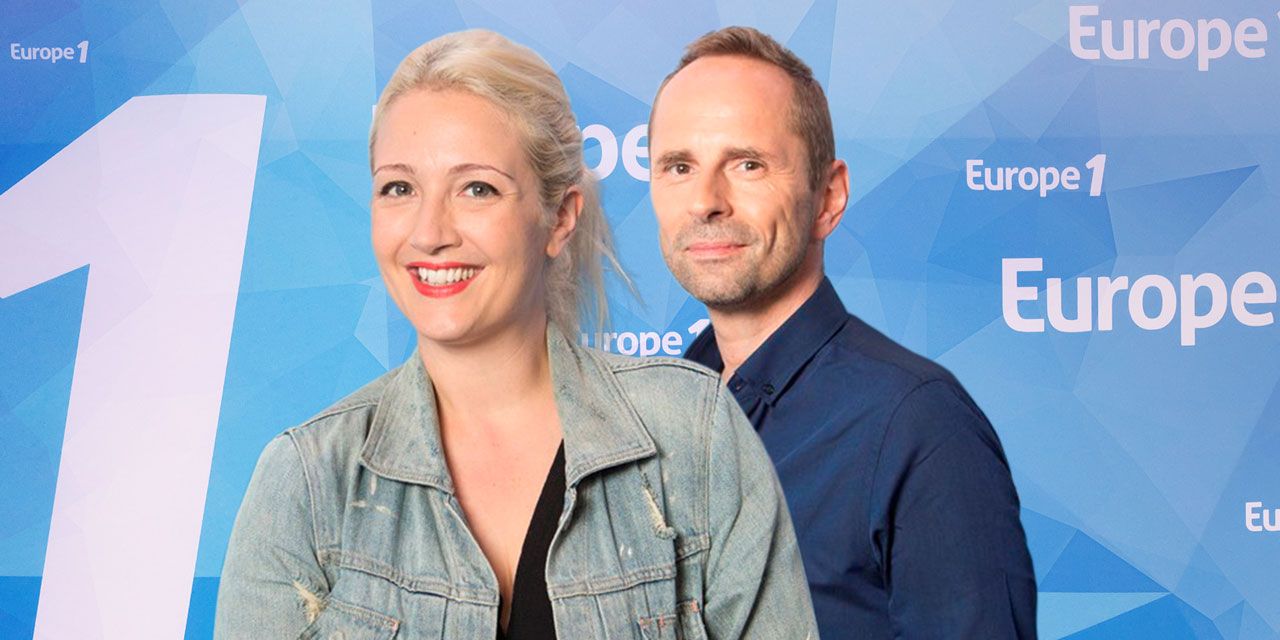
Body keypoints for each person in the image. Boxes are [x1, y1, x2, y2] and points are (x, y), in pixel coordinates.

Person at [214, 29, 818, 640]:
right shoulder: (308, 480)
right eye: (399, 188)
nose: (429, 233)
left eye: (476, 189)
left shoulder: (692, 432)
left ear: (560, 217)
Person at [648, 26, 1038, 638]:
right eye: (678, 166)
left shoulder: (919, 426)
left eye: (748, 164)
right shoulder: (653, 413)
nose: (706, 201)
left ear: (828, 197)